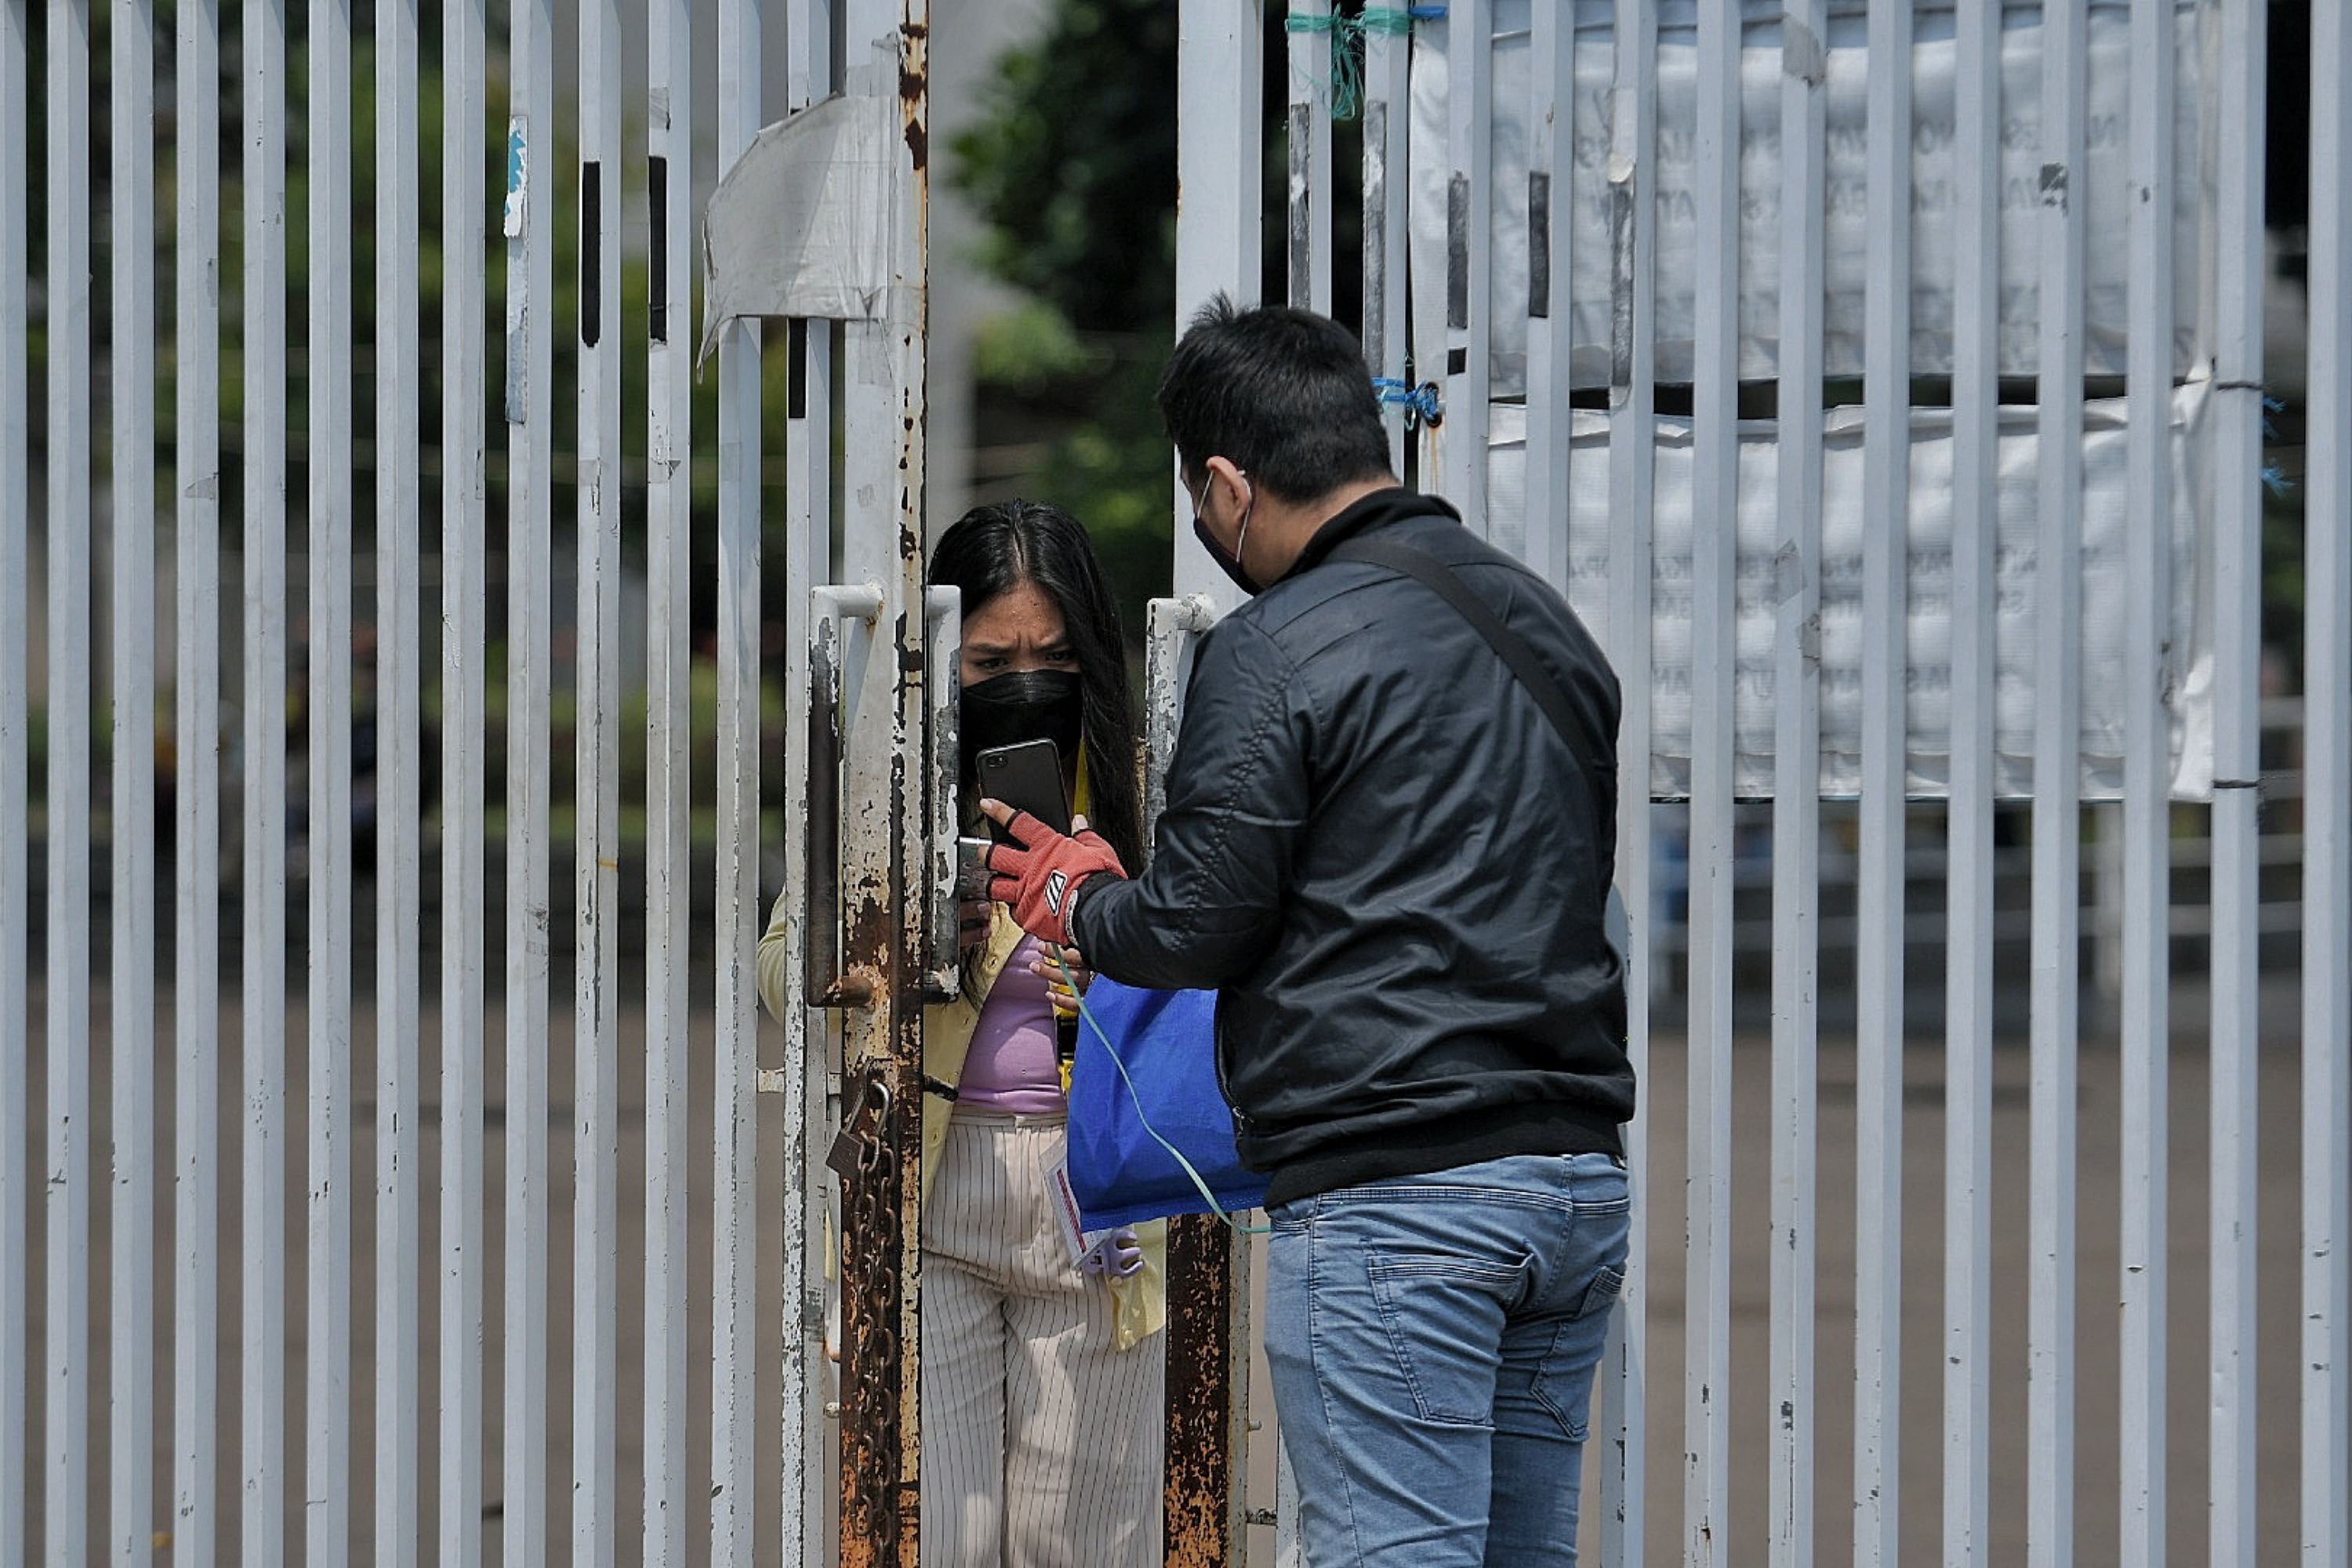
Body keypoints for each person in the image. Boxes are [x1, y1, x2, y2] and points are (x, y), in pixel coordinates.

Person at [978, 299, 1633, 1568]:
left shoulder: (1277, 649)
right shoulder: (1548, 629)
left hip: (1401, 1202)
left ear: (1229, 484)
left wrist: (1077, 899)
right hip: (1571, 1186)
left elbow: (1201, 922)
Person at [762, 499, 1166, 1568]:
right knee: (941, 1536)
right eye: (990, 661)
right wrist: (888, 932)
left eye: (1054, 656)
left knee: (1071, 1543)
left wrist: (1117, 927)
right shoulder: (891, 782)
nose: (1026, 682)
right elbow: (779, 966)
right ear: (943, 659)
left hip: (1102, 1200)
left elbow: (1219, 969)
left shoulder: (1144, 784)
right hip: (931, 1183)